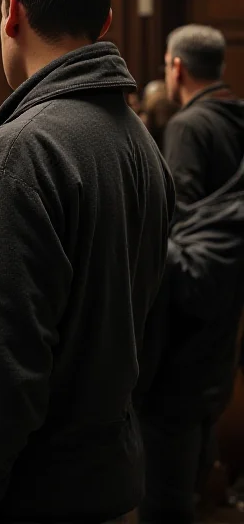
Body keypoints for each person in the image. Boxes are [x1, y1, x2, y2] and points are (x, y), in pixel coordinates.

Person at [0, 0, 174, 524]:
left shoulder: (19, 153)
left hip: (30, 496)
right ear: (105, 23)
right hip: (110, 481)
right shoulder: (139, 141)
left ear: (11, 10)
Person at [139, 26, 244, 524]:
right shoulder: (237, 116)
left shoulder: (188, 125)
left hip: (188, 315)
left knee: (167, 487)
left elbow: (177, 230)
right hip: (227, 313)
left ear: (176, 68)